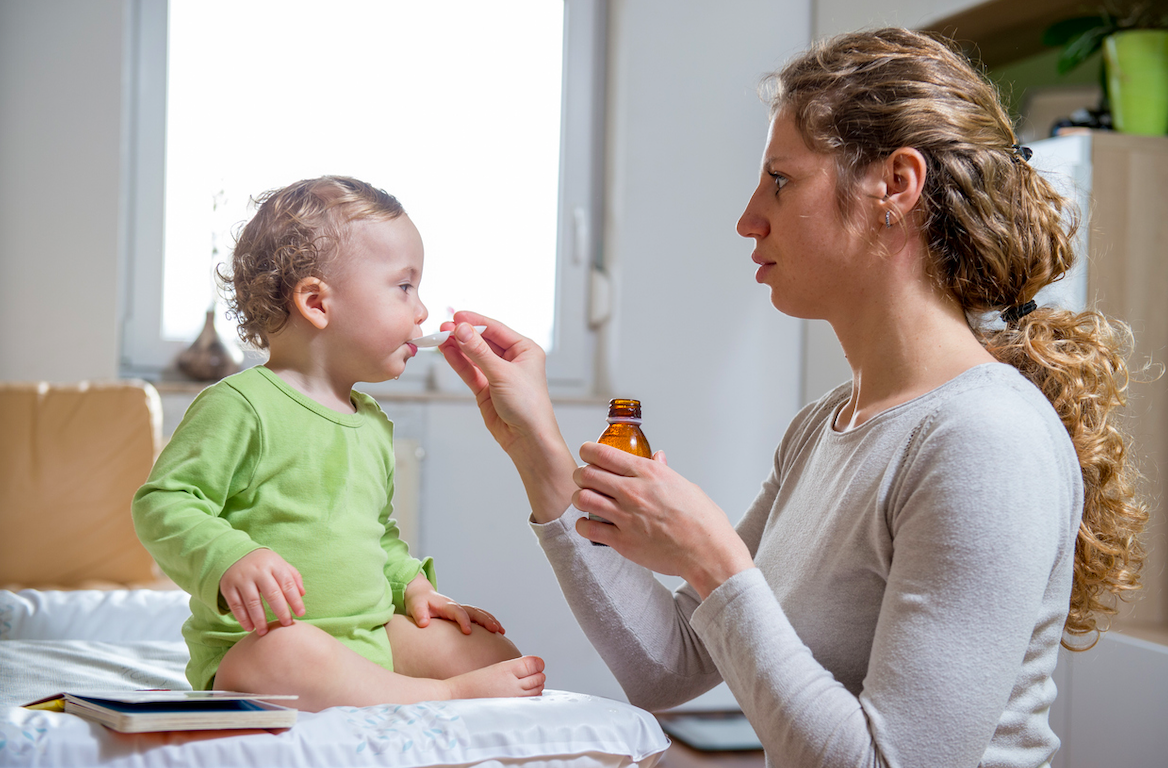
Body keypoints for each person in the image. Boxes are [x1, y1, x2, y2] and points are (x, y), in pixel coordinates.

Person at [434, 28, 1148, 768]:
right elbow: (668, 667)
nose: (749, 217)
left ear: (895, 186)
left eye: (781, 179)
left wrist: (713, 560)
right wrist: (538, 450)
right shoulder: (825, 427)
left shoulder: (983, 438)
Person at [132, 176, 545, 712]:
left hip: (367, 636)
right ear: (316, 302)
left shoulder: (372, 423)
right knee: (289, 651)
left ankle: (407, 686)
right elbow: (163, 503)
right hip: (262, 648)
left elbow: (377, 537)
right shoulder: (240, 404)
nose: (421, 312)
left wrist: (414, 589)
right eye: (404, 287)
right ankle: (439, 696)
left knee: (488, 651)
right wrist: (231, 556)